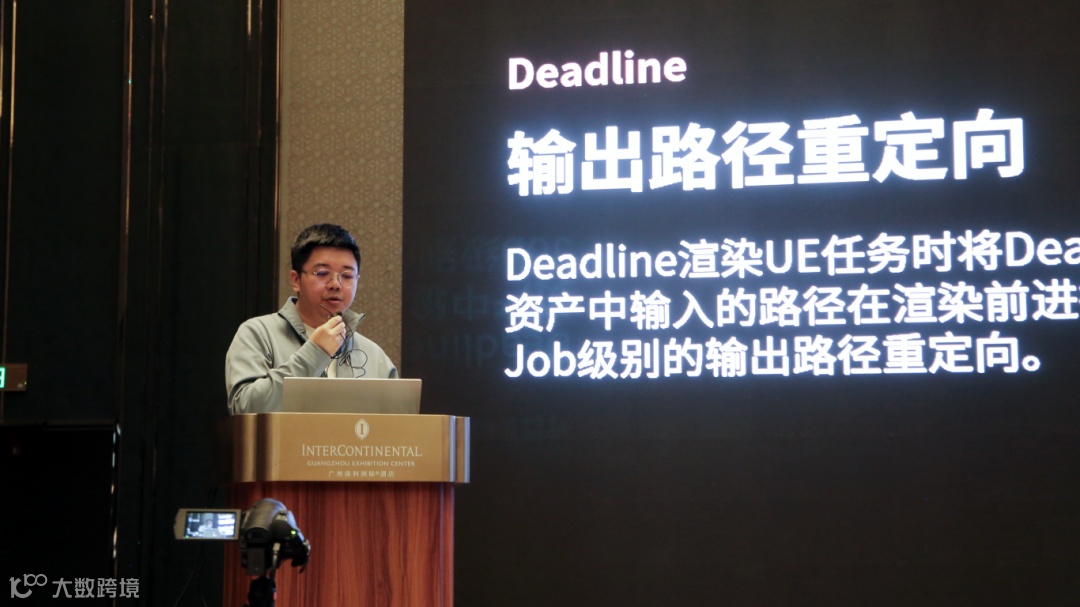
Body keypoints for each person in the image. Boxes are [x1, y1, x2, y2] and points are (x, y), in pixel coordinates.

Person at [225, 223, 398, 414]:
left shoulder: (373, 355)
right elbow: (246, 408)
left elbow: (398, 426)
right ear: (296, 280)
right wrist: (315, 352)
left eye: (347, 276)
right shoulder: (258, 334)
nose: (335, 284)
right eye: (322, 273)